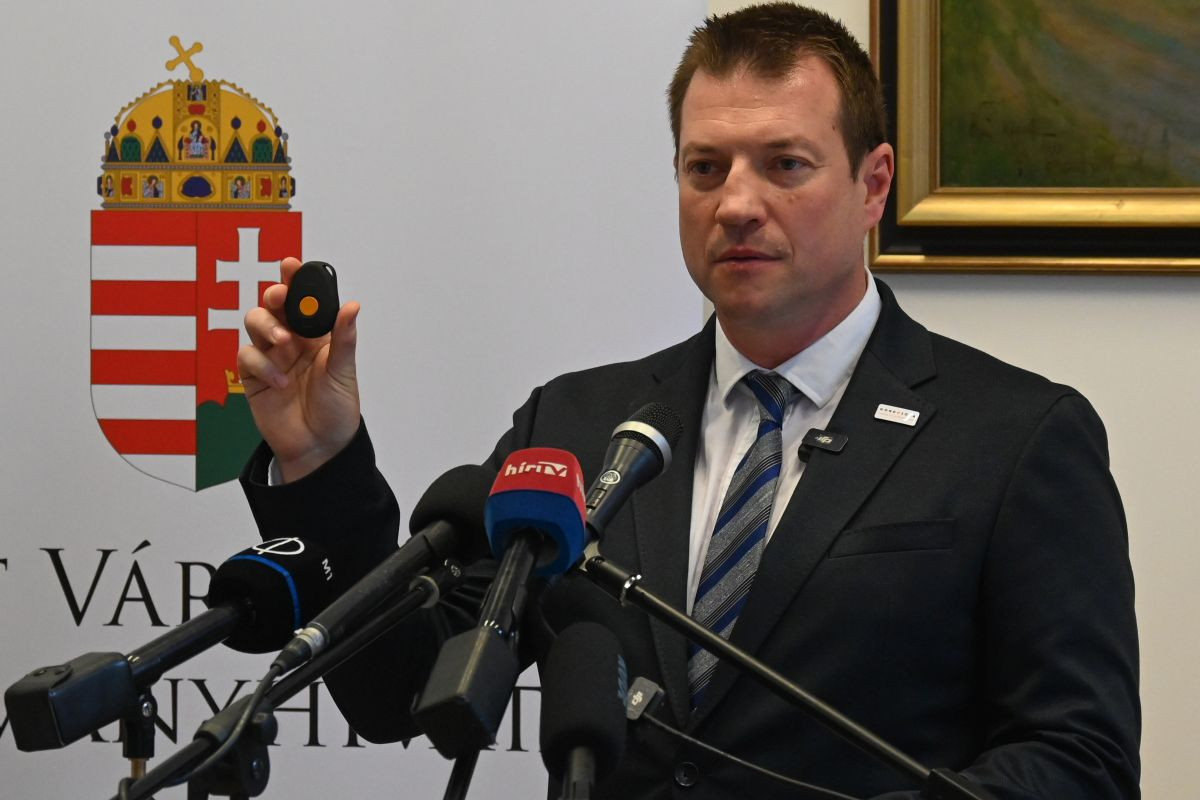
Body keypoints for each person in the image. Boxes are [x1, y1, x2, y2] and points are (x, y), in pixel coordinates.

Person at [236, 4, 1139, 798]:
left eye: (785, 164)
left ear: (873, 184)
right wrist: (321, 462)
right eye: (705, 168)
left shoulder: (1014, 437)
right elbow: (400, 692)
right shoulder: (576, 426)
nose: (736, 203)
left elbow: (1079, 760)